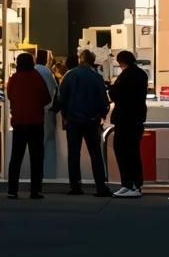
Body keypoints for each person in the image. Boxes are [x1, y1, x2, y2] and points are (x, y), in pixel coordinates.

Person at [55, 48, 112, 198]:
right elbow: (104, 101)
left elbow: (61, 98)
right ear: (93, 61)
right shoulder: (97, 77)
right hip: (92, 120)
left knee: (74, 154)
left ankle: (75, 186)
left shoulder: (70, 75)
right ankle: (100, 186)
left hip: (73, 120)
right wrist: (102, 115)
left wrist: (60, 112)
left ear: (80, 59)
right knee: (96, 154)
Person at [5, 51, 51, 200]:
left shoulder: (14, 78)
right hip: (36, 122)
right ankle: (35, 190)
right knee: (36, 157)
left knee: (16, 157)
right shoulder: (36, 77)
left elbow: (10, 95)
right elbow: (46, 98)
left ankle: (12, 190)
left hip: (18, 122)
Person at [108, 47, 149, 196]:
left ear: (121, 62)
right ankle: (136, 184)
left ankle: (128, 184)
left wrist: (110, 88)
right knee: (134, 152)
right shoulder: (142, 74)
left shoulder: (125, 76)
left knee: (122, 151)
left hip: (124, 119)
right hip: (137, 118)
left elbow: (116, 95)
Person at [34, 45, 59, 176]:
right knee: (47, 142)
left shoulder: (32, 70)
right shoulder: (48, 72)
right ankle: (47, 172)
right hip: (47, 112)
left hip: (34, 112)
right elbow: (53, 91)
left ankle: (37, 173)